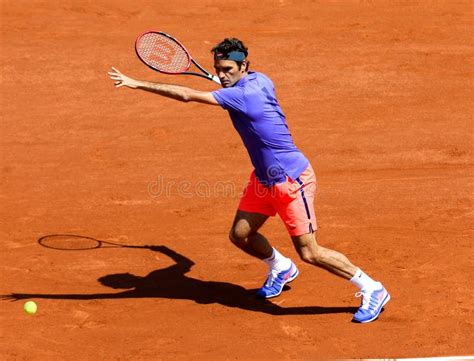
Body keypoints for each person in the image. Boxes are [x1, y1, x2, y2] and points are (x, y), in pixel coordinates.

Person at [108, 37, 390, 323]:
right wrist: (166, 252)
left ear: (244, 65)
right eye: (218, 68)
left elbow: (185, 95)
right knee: (241, 235)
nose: (221, 74)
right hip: (263, 179)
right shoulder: (260, 80)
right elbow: (184, 265)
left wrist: (137, 83)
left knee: (310, 252)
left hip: (292, 181)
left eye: (228, 69)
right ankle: (280, 267)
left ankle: (372, 288)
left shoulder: (241, 97)